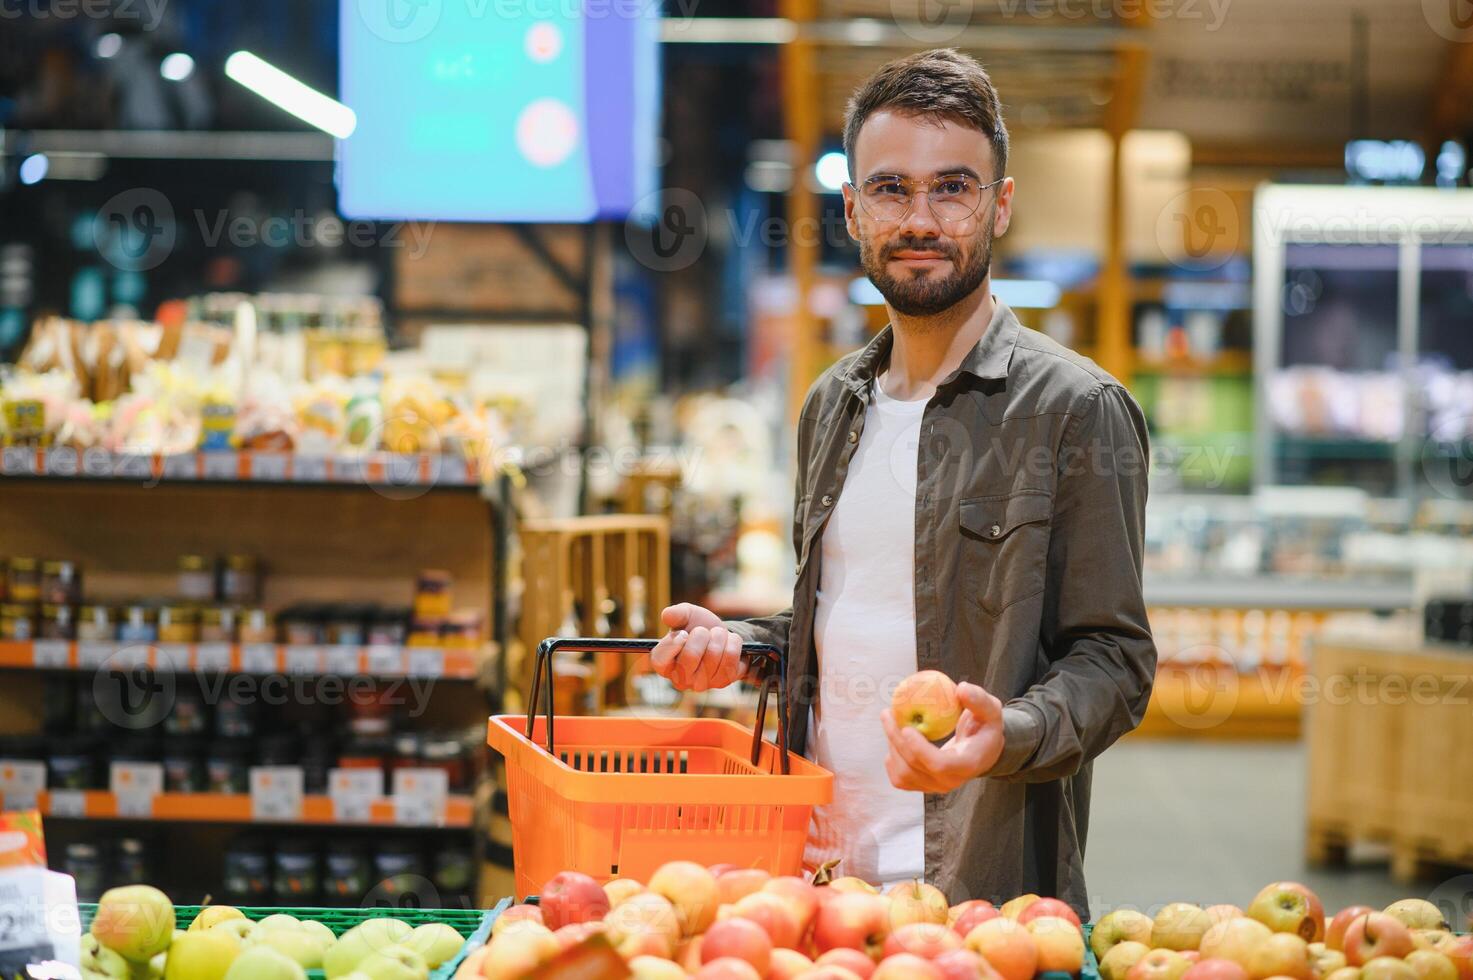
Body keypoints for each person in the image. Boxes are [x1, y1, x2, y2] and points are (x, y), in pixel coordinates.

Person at [650, 48, 1156, 919]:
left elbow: (1114, 661)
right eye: (890, 188)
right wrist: (743, 645)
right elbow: (854, 609)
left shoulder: (1074, 410)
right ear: (851, 210)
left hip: (975, 887)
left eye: (951, 187)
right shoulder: (829, 404)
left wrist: (1011, 732)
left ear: (998, 205)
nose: (919, 217)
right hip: (814, 870)